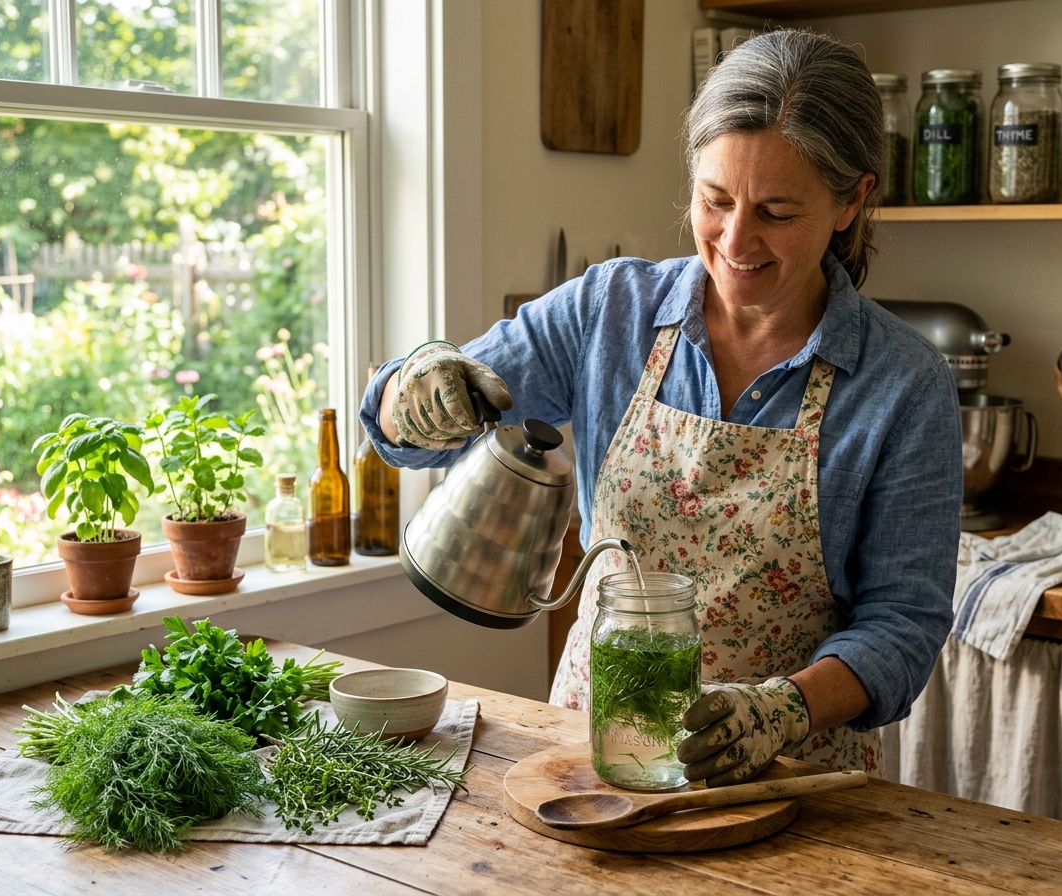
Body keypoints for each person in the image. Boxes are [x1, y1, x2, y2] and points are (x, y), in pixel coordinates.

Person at [360, 30, 961, 784]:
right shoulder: (609, 311)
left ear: (852, 200)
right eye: (715, 200)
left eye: (777, 211)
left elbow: (904, 624)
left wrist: (780, 709)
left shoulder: (903, 382)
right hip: (592, 758)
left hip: (790, 780)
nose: (736, 240)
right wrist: (410, 387)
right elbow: (409, 434)